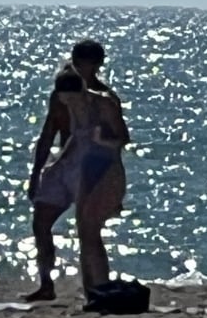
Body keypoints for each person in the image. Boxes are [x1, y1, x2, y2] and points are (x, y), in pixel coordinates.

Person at [24, 39, 129, 301]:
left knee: (87, 229)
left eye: (90, 65)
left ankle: (93, 288)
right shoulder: (62, 93)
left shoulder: (104, 98)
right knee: (41, 221)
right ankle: (46, 283)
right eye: (81, 63)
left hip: (91, 166)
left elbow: (116, 143)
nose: (85, 69)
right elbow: (49, 132)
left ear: (98, 66)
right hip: (65, 161)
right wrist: (37, 172)